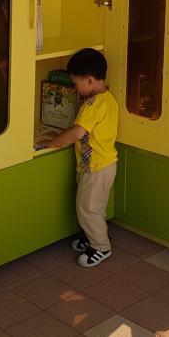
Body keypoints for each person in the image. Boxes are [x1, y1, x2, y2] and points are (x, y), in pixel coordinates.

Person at [38, 48, 119, 267]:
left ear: (89, 80)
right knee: (94, 206)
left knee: (88, 208)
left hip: (95, 167)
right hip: (105, 164)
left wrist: (54, 142)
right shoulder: (108, 99)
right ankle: (93, 236)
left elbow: (77, 132)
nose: (75, 88)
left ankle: (101, 246)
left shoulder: (91, 106)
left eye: (75, 83)